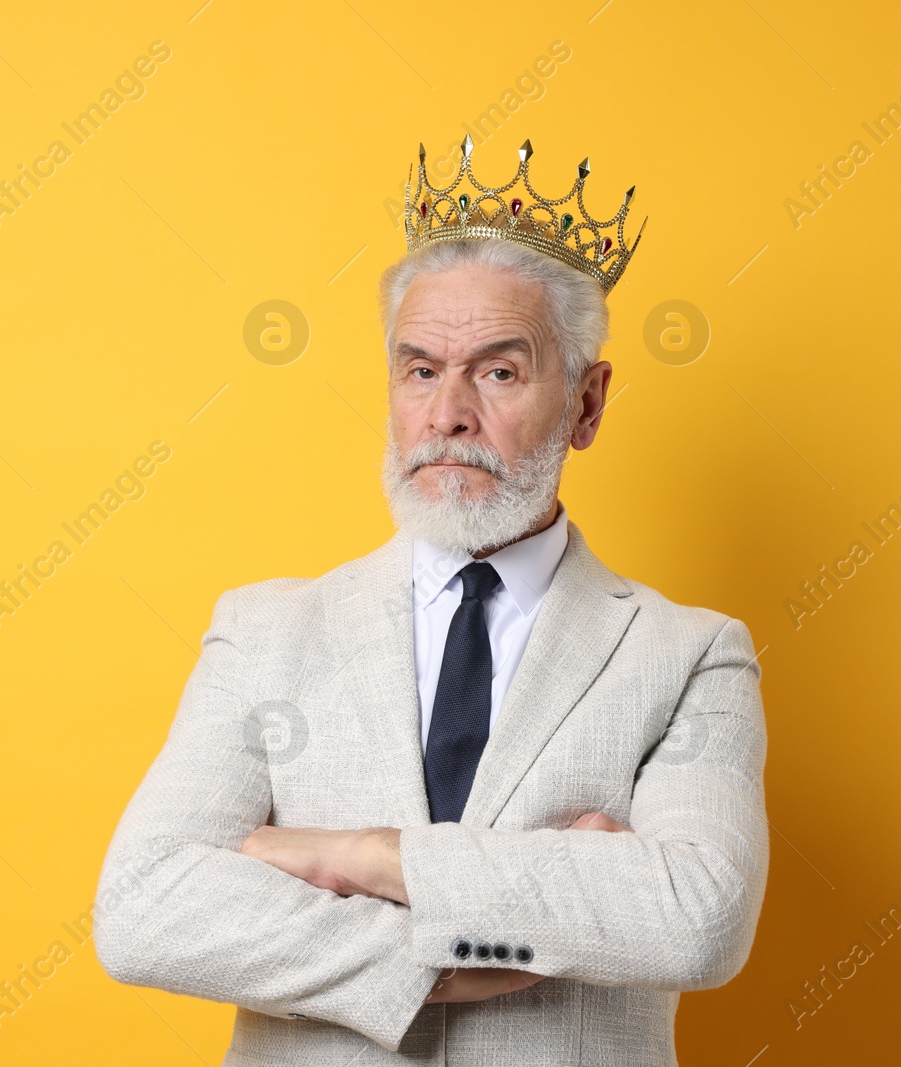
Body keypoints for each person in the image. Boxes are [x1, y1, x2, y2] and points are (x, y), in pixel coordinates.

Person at [93, 137, 768, 1065]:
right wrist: (452, 953)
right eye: (419, 370)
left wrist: (362, 857)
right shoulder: (264, 632)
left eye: (497, 371)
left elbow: (699, 918)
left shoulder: (690, 654)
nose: (448, 413)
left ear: (586, 403)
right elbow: (144, 906)